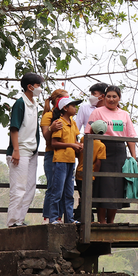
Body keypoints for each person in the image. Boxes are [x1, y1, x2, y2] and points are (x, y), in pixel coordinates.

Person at [86, 85, 138, 224]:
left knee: (117, 185)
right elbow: (88, 132)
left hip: (119, 151)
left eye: (114, 96)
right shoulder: (97, 112)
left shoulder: (124, 114)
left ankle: (111, 221)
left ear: (119, 98)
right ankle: (101, 221)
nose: (111, 99)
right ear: (104, 97)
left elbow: (130, 136)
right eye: (108, 96)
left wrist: (133, 156)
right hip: (102, 148)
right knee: (103, 185)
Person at [6, 73, 44, 228]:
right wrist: (16, 150)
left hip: (31, 151)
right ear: (30, 87)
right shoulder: (20, 103)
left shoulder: (33, 103)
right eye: (39, 85)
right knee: (19, 188)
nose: (40, 89)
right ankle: (12, 221)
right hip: (20, 151)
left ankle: (20, 220)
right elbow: (14, 128)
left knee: (30, 188)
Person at [48, 96, 83, 224]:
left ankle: (69, 219)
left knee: (69, 192)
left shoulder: (73, 122)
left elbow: (74, 139)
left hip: (71, 160)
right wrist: (72, 145)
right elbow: (54, 142)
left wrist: (78, 145)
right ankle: (53, 218)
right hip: (61, 160)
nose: (75, 108)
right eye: (73, 106)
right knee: (57, 191)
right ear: (65, 108)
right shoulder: (59, 122)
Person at [40, 88, 68, 224]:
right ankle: (47, 216)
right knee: (52, 187)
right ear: (58, 100)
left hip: (65, 156)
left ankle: (58, 216)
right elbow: (46, 137)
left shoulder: (67, 118)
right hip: (52, 154)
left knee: (62, 189)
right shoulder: (48, 116)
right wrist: (52, 128)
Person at [75, 120, 106, 221]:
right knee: (86, 198)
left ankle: (86, 218)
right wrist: (95, 174)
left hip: (80, 172)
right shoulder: (101, 146)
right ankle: (81, 218)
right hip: (90, 174)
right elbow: (98, 162)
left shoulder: (84, 139)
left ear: (92, 130)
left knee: (83, 196)